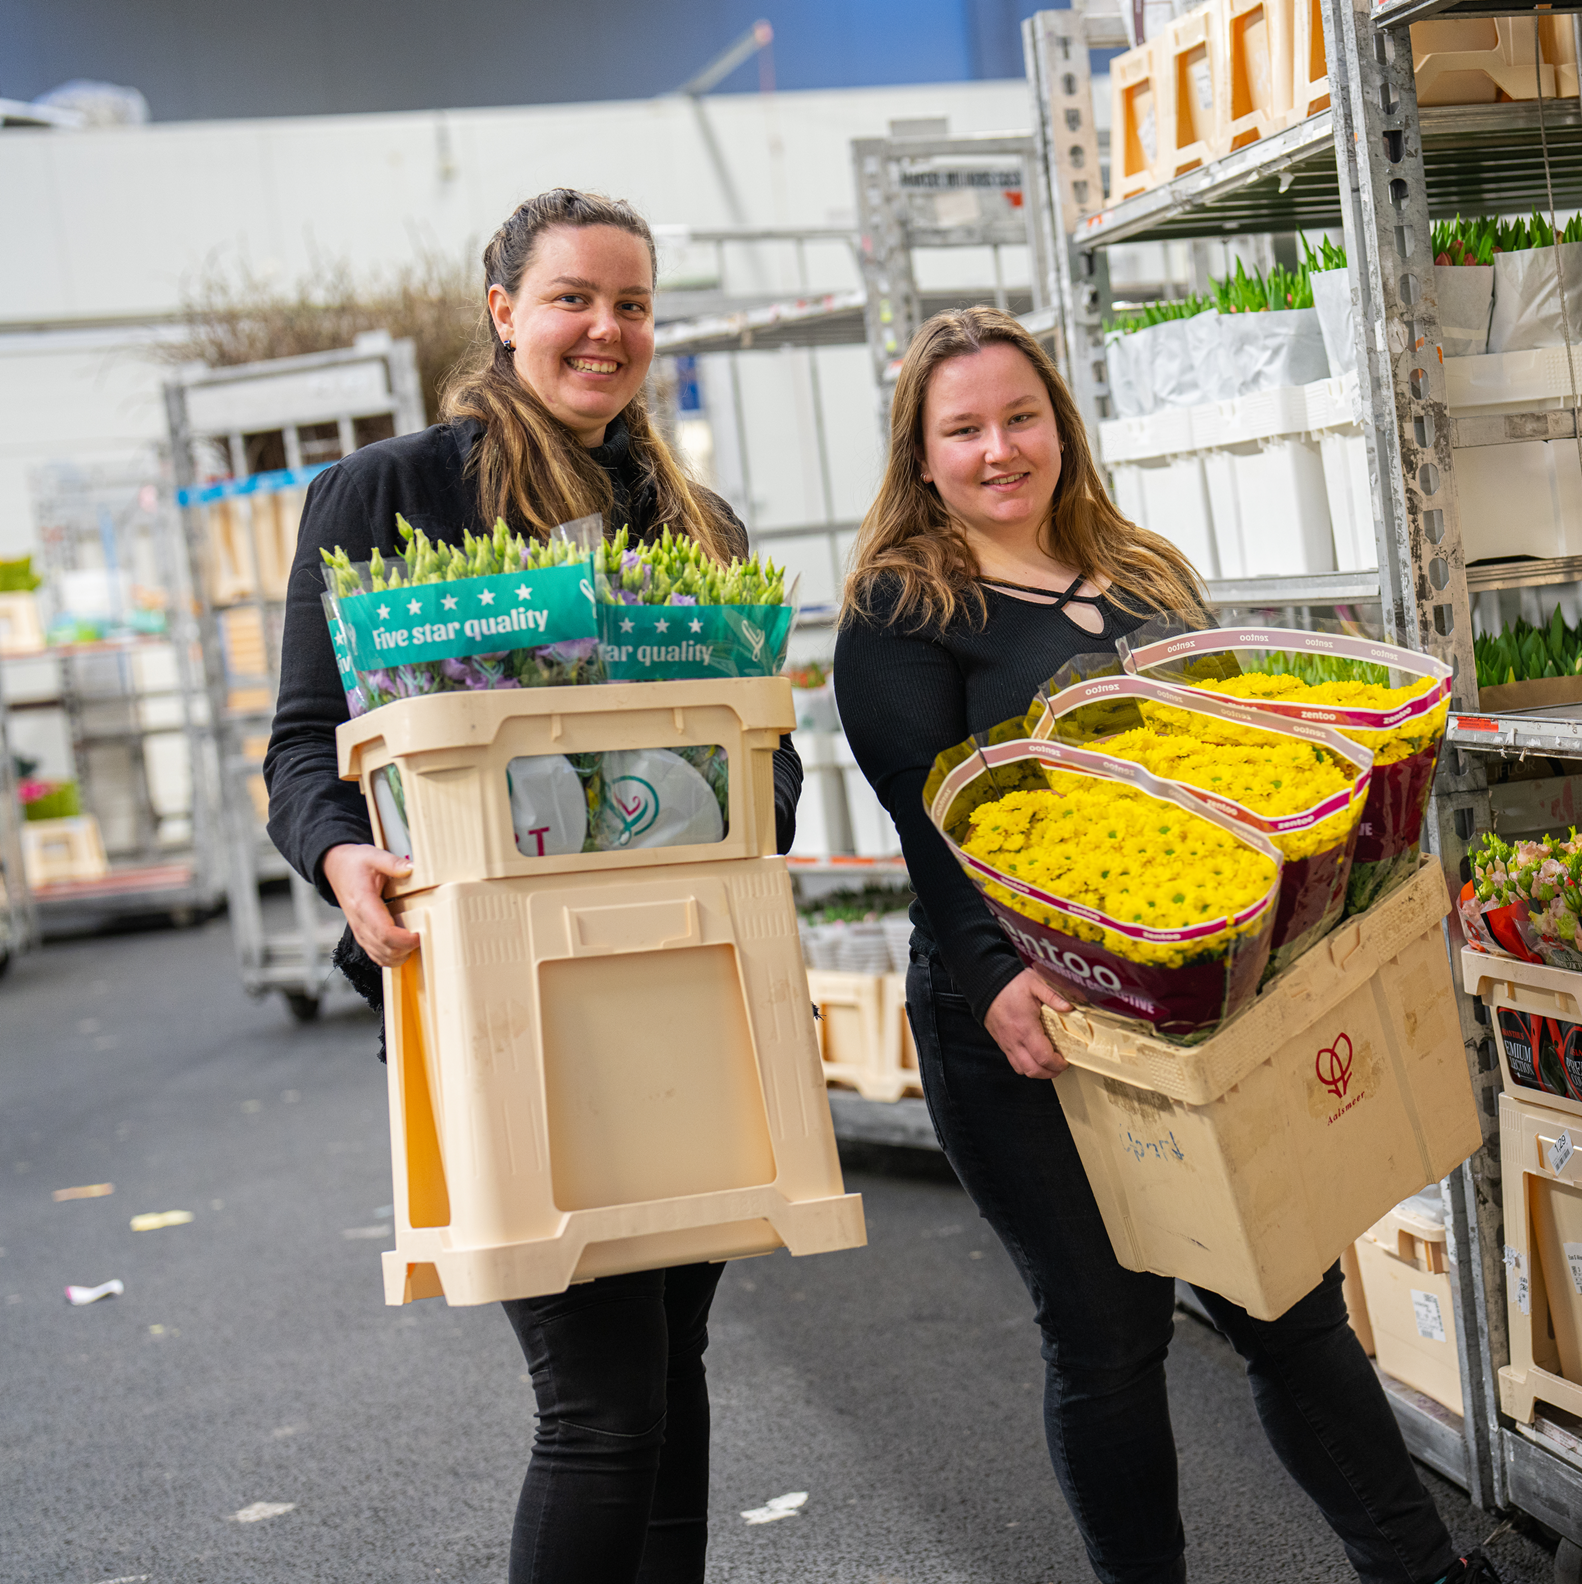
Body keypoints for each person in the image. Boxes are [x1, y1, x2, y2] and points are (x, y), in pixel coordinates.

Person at [835, 304, 1502, 1584]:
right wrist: (994, 981)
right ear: (921, 457)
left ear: (1060, 427)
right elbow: (933, 817)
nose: (999, 450)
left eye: (1020, 417)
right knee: (1105, 1334)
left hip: (1191, 1007)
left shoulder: (1142, 573)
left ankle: (1426, 1574)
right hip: (1025, 1022)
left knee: (1286, 1304)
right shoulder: (904, 608)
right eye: (963, 429)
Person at [262, 188, 802, 1584]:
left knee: (671, 1379)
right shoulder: (391, 496)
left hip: (682, 978)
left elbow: (771, 763)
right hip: (499, 996)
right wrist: (340, 856)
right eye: (573, 298)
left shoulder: (701, 525)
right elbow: (304, 743)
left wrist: (748, 806)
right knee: (603, 1406)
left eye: (630, 304)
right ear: (503, 311)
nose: (604, 330)